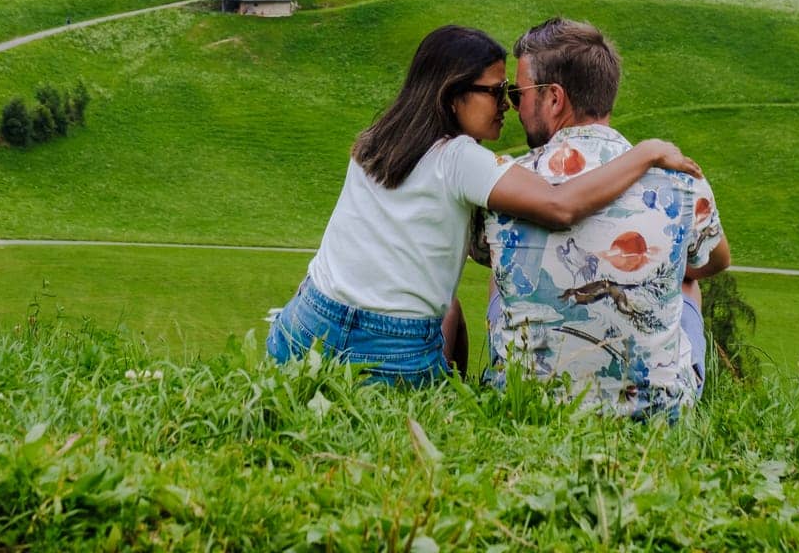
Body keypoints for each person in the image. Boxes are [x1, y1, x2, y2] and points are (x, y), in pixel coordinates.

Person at [266, 23, 701, 384]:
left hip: (306, 324)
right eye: (496, 92)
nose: (507, 105)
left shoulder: (376, 142)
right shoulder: (458, 158)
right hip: (390, 349)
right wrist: (645, 153)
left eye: (511, 91)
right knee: (445, 316)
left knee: (451, 308)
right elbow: (560, 205)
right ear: (454, 96)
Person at [481, 16, 730, 419]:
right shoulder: (682, 180)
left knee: (501, 267)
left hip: (526, 405)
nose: (513, 104)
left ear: (554, 98)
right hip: (653, 414)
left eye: (517, 92)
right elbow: (717, 262)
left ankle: (531, 376)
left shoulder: (507, 182)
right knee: (686, 276)